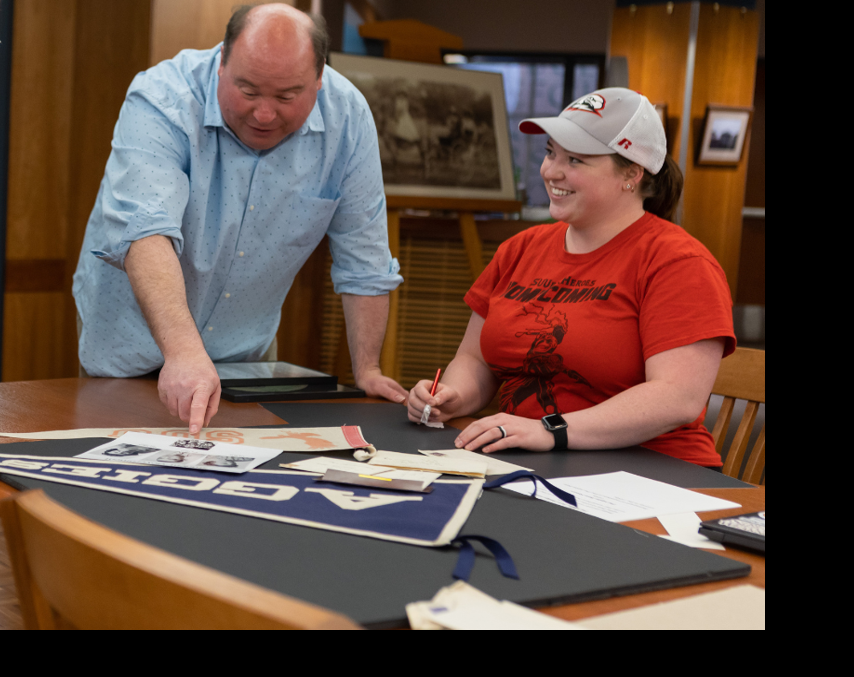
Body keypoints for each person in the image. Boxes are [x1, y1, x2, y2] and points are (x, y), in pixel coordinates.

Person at [73, 3, 406, 435]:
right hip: (127, 338)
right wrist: (184, 352)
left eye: (287, 96)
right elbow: (144, 231)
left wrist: (367, 368)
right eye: (247, 91)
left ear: (319, 79)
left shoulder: (349, 118)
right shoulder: (163, 96)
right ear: (221, 63)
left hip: (244, 356)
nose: (264, 114)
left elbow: (365, 258)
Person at [407, 88, 735, 467]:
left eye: (575, 159)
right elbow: (475, 359)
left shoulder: (679, 262)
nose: (550, 171)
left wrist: (549, 430)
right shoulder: (520, 249)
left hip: (649, 472)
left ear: (631, 173)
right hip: (530, 460)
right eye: (550, 153)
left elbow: (677, 396)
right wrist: (451, 396)